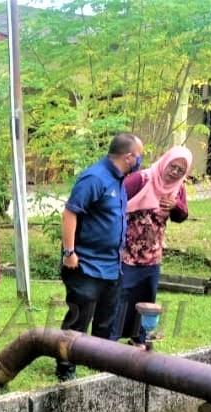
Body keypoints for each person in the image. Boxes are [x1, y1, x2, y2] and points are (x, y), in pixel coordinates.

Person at [57, 132, 144, 382]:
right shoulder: (95, 178)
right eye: (139, 156)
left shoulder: (119, 180)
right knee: (78, 319)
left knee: (107, 321)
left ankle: (101, 367)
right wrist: (69, 252)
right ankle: (66, 365)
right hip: (86, 264)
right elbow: (69, 214)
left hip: (111, 265)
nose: (141, 161)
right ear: (129, 157)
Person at [110, 146, 192, 346]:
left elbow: (182, 216)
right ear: (165, 161)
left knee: (147, 297)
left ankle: (138, 338)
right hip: (126, 252)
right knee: (121, 296)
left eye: (181, 170)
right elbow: (114, 202)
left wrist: (176, 206)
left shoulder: (178, 188)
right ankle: (109, 342)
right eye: (173, 166)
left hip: (153, 254)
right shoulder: (141, 179)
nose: (175, 172)